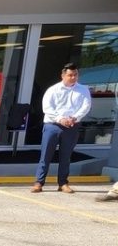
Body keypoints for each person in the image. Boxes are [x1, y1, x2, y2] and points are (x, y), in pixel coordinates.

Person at [32, 63, 91, 194]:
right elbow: (47, 108)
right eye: (70, 75)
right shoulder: (53, 90)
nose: (73, 77)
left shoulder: (83, 90)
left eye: (75, 75)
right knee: (46, 155)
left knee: (66, 156)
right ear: (63, 75)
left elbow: (86, 106)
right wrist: (61, 119)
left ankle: (63, 183)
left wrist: (74, 118)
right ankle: (39, 182)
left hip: (72, 126)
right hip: (53, 125)